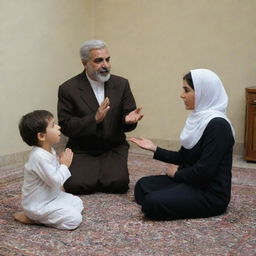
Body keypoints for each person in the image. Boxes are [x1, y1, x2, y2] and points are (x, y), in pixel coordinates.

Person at [129, 69, 235, 220]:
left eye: (187, 90)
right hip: (191, 181)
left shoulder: (218, 125)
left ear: (202, 92)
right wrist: (153, 148)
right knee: (142, 186)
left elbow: (204, 172)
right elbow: (183, 156)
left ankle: (170, 196)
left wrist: (177, 174)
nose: (181, 95)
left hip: (209, 193)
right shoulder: (198, 118)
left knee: (152, 203)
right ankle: (175, 194)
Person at [58, 40, 143, 195]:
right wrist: (94, 119)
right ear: (85, 63)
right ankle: (92, 172)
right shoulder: (68, 89)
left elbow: (128, 117)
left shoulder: (121, 84)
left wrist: (128, 121)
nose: (105, 65)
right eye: (98, 61)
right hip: (82, 148)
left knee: (118, 184)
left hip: (113, 146)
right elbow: (65, 125)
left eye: (107, 59)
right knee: (77, 186)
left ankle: (104, 171)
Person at [14, 110, 84, 230]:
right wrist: (64, 165)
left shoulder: (49, 150)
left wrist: (61, 164)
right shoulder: (38, 157)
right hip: (38, 205)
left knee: (78, 202)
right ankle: (33, 218)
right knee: (74, 219)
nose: (58, 127)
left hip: (51, 197)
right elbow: (55, 181)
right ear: (41, 136)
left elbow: (54, 176)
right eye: (53, 125)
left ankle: (44, 217)